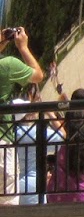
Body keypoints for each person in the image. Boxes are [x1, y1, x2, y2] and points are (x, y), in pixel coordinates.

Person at [0, 29, 44, 203]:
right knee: (8, 205)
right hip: (2, 143)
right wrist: (23, 47)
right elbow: (38, 76)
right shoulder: (7, 64)